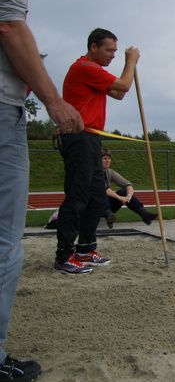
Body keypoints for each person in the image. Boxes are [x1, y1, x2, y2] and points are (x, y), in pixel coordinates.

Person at [0, 0, 84, 379]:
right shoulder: (87, 68)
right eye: (107, 49)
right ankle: (69, 252)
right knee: (4, 238)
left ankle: (79, 249)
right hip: (8, 107)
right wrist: (53, 101)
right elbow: (9, 24)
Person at [54, 28, 140, 275]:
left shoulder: (97, 73)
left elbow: (119, 93)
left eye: (115, 50)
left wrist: (129, 68)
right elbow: (123, 84)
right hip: (78, 137)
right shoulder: (84, 67)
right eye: (108, 50)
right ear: (93, 47)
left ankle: (85, 248)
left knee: (95, 196)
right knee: (77, 197)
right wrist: (130, 61)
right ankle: (63, 256)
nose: (113, 55)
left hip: (91, 138)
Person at [101, 148, 157, 228]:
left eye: (109, 158)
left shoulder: (110, 172)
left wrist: (128, 196)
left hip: (107, 205)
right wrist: (119, 197)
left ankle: (144, 213)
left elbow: (128, 184)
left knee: (124, 191)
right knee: (102, 194)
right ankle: (108, 215)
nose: (107, 161)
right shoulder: (93, 172)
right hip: (93, 205)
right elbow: (104, 189)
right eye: (104, 159)